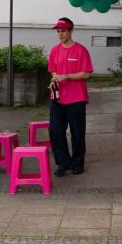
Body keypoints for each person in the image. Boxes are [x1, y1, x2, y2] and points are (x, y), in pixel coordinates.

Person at [47, 17, 93, 176]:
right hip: (57, 97)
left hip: (77, 98)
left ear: (71, 31)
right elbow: (53, 71)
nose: (60, 34)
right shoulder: (54, 51)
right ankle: (63, 163)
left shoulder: (81, 50)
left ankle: (77, 163)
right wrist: (55, 80)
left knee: (77, 132)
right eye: (58, 31)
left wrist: (67, 76)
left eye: (63, 31)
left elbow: (86, 74)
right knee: (55, 131)